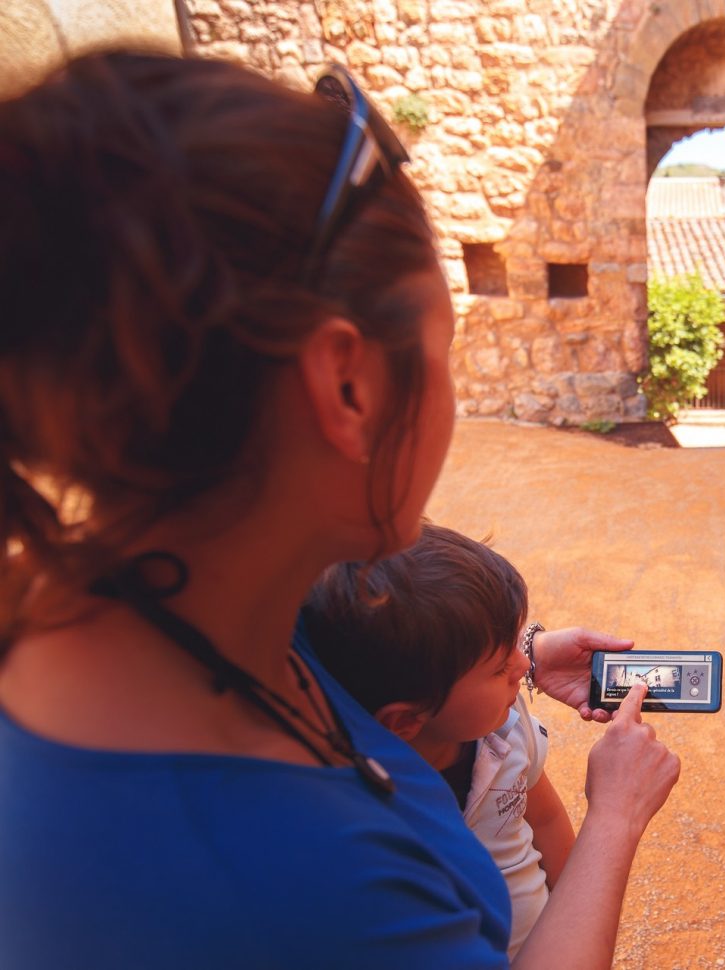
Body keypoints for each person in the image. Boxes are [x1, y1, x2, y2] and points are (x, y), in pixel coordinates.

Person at [0, 50, 678, 969]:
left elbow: (372, 660)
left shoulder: (188, 616)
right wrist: (615, 822)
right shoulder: (299, 886)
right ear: (348, 386)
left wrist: (511, 659)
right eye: (443, 353)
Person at [305, 522, 574, 960]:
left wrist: (578, 916)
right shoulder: (359, 807)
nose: (525, 663)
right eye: (497, 666)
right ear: (406, 720)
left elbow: (544, 818)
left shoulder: (504, 727)